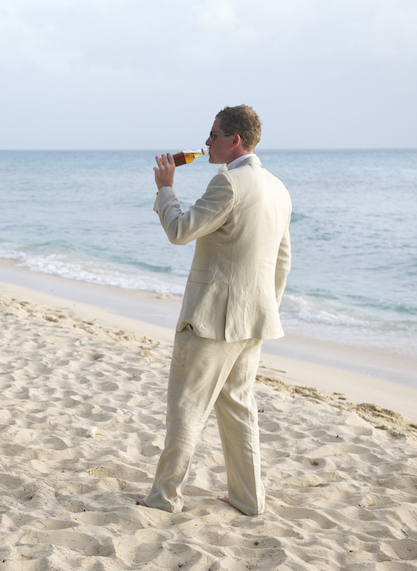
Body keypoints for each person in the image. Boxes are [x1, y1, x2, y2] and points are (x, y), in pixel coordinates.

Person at [138, 105, 291, 515]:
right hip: (255, 319)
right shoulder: (278, 188)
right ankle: (248, 498)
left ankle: (164, 497)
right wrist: (264, 309)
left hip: (211, 322)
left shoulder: (228, 183)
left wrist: (166, 188)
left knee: (186, 408)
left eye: (213, 134)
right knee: (238, 407)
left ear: (234, 140)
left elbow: (180, 231)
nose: (206, 143)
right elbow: (283, 260)